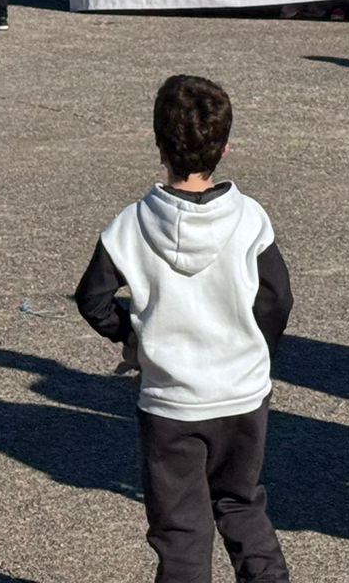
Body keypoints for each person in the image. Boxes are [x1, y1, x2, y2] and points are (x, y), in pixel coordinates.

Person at [74, 75, 293, 583]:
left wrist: (130, 335)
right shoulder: (249, 218)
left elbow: (93, 299)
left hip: (171, 401)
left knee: (181, 531)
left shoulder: (129, 225)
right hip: (241, 392)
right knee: (242, 505)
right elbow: (277, 298)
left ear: (158, 145)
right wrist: (253, 349)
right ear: (226, 146)